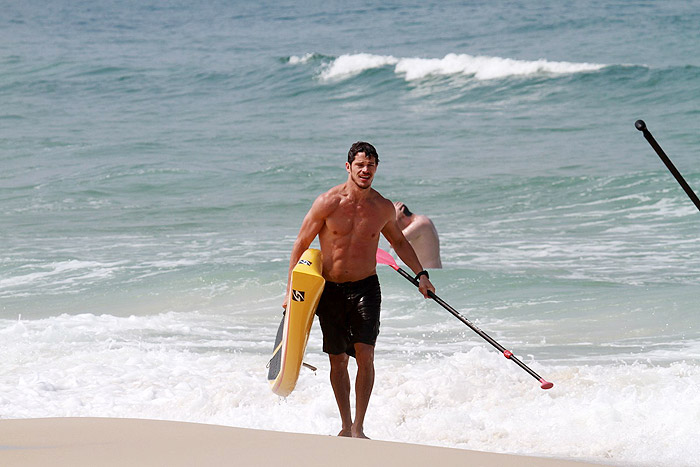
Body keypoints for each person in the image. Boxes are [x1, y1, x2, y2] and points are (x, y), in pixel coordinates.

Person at [284, 141, 435, 439]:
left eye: (371, 165)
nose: (366, 170)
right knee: (338, 359)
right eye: (360, 165)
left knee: (366, 354)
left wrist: (421, 274)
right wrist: (290, 288)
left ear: (377, 168)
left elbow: (400, 243)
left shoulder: (381, 207)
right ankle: (344, 424)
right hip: (330, 289)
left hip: (366, 286)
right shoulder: (328, 202)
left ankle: (359, 427)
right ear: (348, 167)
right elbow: (301, 244)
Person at [393, 202, 442, 269]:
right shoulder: (422, 220)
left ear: (402, 216)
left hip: (430, 273)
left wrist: (395, 218)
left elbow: (394, 242)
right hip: (430, 272)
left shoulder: (420, 223)